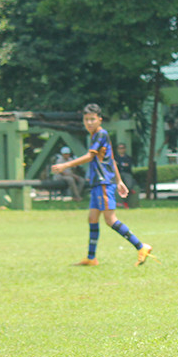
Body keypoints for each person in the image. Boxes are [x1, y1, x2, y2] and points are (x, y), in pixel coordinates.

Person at [51, 104, 156, 266]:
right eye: (86, 119)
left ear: (99, 120)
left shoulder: (101, 134)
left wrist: (65, 165)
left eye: (92, 119)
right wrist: (119, 181)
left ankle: (141, 246)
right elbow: (111, 160)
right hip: (97, 183)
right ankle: (91, 258)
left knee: (110, 220)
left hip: (103, 183)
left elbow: (89, 157)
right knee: (92, 218)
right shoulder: (96, 136)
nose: (89, 122)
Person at [114, 143, 139, 208]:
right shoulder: (115, 158)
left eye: (122, 148)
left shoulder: (128, 158)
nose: (121, 150)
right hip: (118, 174)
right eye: (119, 148)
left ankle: (127, 201)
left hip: (127, 174)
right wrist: (122, 164)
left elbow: (128, 167)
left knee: (129, 186)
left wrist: (119, 164)